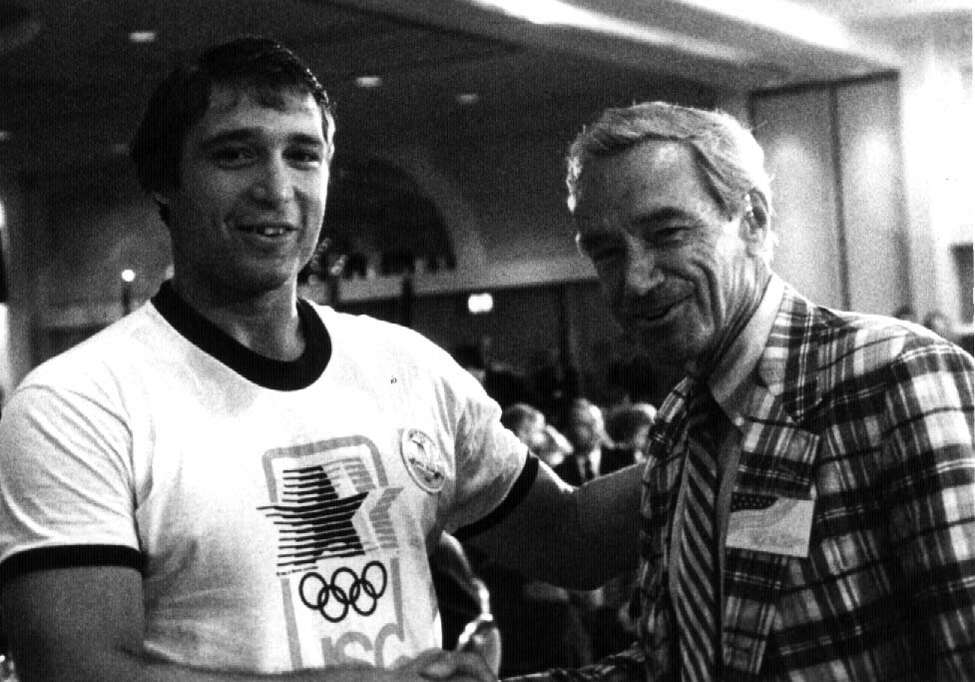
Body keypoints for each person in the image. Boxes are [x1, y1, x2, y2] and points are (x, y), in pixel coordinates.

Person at [0, 38, 644, 681]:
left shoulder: (407, 367)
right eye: (234, 154)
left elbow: (572, 539)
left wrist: (719, 406)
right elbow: (76, 669)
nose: (276, 188)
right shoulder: (77, 402)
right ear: (164, 181)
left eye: (303, 155)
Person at [513, 101, 975, 680]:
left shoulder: (894, 375)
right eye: (606, 252)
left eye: (667, 233)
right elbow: (675, 665)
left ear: (753, 220)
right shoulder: (680, 423)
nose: (634, 279)